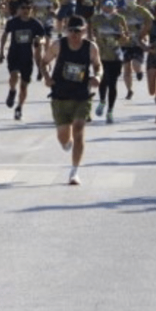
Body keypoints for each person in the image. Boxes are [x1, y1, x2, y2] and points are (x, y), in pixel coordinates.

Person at [40, 16, 102, 186]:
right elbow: (44, 62)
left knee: (79, 129)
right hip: (60, 95)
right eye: (71, 31)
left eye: (78, 31)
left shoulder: (91, 47)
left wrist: (97, 76)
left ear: (84, 31)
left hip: (82, 95)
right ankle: (66, 143)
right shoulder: (58, 45)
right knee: (63, 137)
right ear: (66, 31)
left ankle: (74, 171)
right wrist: (46, 77)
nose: (75, 35)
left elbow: (98, 65)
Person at [0, 0, 46, 120]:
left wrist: (39, 40)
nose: (25, 10)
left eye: (28, 8)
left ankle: (19, 107)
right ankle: (12, 90)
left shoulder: (35, 24)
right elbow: (5, 35)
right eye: (23, 8)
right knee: (14, 75)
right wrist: (1, 52)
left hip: (27, 57)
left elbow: (43, 38)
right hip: (14, 54)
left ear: (32, 9)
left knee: (24, 86)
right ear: (19, 9)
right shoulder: (13, 22)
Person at [91, 0, 129, 124]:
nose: (108, 8)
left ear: (114, 7)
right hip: (101, 55)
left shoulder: (120, 19)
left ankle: (110, 111)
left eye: (111, 6)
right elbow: (91, 35)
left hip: (115, 55)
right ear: (102, 6)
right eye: (106, 6)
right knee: (103, 80)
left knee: (113, 83)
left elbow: (126, 38)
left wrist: (122, 36)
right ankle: (102, 101)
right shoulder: (96, 19)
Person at [121, 0, 154, 100]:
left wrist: (145, 32)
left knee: (136, 64)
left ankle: (139, 72)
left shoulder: (142, 11)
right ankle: (129, 90)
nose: (129, 0)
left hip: (138, 42)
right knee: (126, 68)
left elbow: (152, 21)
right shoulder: (121, 12)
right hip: (125, 43)